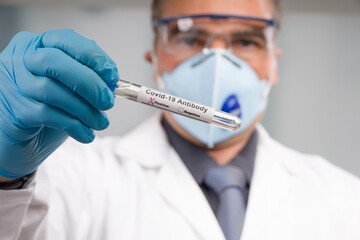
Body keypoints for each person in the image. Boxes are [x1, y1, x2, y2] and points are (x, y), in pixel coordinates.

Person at [0, 0, 359, 239]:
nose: (218, 61)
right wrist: (5, 177)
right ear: (153, 56)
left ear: (274, 62)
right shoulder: (75, 179)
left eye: (246, 40)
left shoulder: (346, 199)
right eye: (190, 37)